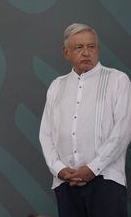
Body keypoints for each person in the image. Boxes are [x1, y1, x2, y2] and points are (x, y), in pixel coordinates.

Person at [39, 23, 131, 217]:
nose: (86, 53)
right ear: (66, 52)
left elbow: (123, 131)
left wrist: (92, 168)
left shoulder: (118, 80)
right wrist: (59, 169)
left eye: (91, 47)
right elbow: (46, 134)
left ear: (98, 49)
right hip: (65, 182)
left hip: (106, 180)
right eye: (79, 48)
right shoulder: (57, 86)